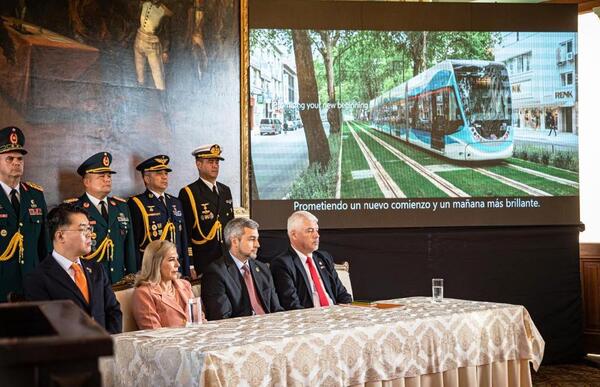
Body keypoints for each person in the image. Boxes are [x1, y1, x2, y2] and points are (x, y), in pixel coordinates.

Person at [24, 203, 122, 334]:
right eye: (83, 229)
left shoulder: (97, 269)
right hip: (68, 352)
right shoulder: (38, 278)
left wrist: (107, 343)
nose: (90, 235)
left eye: (89, 229)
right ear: (60, 236)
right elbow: (45, 328)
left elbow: (113, 310)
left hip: (104, 348)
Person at [65, 152, 136, 284]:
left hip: (119, 281)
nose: (107, 179)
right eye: (101, 176)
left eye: (109, 176)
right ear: (87, 181)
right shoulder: (73, 208)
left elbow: (129, 247)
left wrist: (132, 278)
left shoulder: (121, 206)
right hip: (89, 280)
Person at [0, 126, 51, 302]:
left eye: (20, 158)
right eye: (10, 158)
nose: (16, 162)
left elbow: (45, 246)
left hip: (32, 285)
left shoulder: (35, 194)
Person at [201, 217, 282, 320]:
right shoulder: (215, 273)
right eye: (252, 239)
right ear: (235, 241)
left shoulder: (262, 269)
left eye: (257, 239)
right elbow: (222, 318)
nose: (258, 244)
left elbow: (277, 309)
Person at [270, 211, 353, 310]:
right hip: (308, 320)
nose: (317, 235)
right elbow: (292, 306)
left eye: (317, 230)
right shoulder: (282, 264)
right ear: (294, 235)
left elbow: (343, 294)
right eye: (310, 231)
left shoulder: (324, 258)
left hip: (335, 316)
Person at [128, 155, 190, 276]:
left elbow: (183, 239)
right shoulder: (137, 203)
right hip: (153, 269)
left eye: (166, 173)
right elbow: (134, 244)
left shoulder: (175, 202)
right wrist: (138, 272)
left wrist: (186, 270)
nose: (164, 177)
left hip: (177, 268)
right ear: (146, 178)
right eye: (158, 173)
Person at [179, 144, 234, 274]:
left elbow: (231, 226)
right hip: (203, 260)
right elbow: (185, 233)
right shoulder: (189, 192)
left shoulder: (225, 190)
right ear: (198, 164)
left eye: (217, 162)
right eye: (210, 162)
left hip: (226, 258)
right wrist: (190, 264)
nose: (215, 166)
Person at [132, 240, 204, 329]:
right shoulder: (143, 294)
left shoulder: (185, 285)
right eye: (171, 260)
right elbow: (154, 334)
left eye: (177, 259)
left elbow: (201, 322)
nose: (178, 264)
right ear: (156, 263)